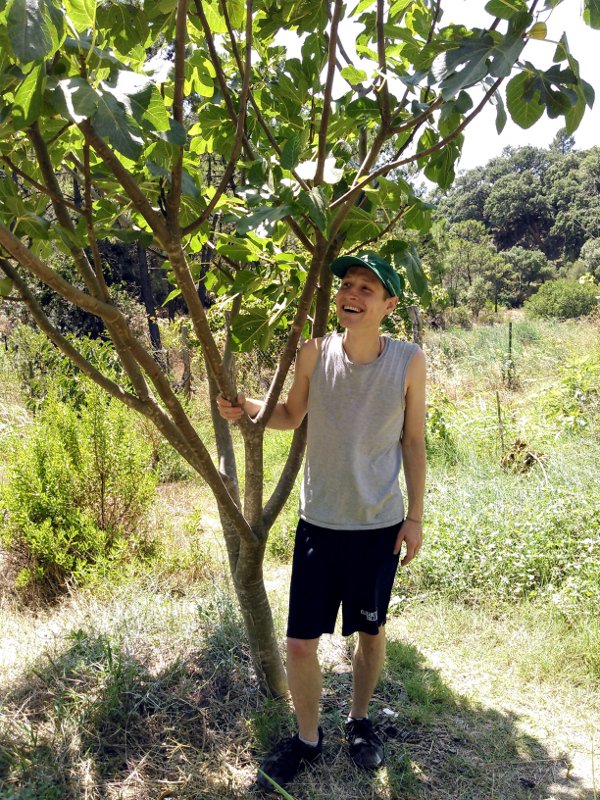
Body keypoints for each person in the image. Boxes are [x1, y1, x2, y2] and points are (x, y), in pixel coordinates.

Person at [216, 251, 426, 792]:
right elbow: (290, 415)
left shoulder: (408, 361)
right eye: (347, 285)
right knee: (301, 644)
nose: (351, 295)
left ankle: (358, 723)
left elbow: (412, 441)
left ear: (388, 305)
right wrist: (248, 408)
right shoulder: (313, 354)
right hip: (319, 523)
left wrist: (415, 518)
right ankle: (309, 739)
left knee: (371, 633)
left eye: (366, 289)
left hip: (378, 524)